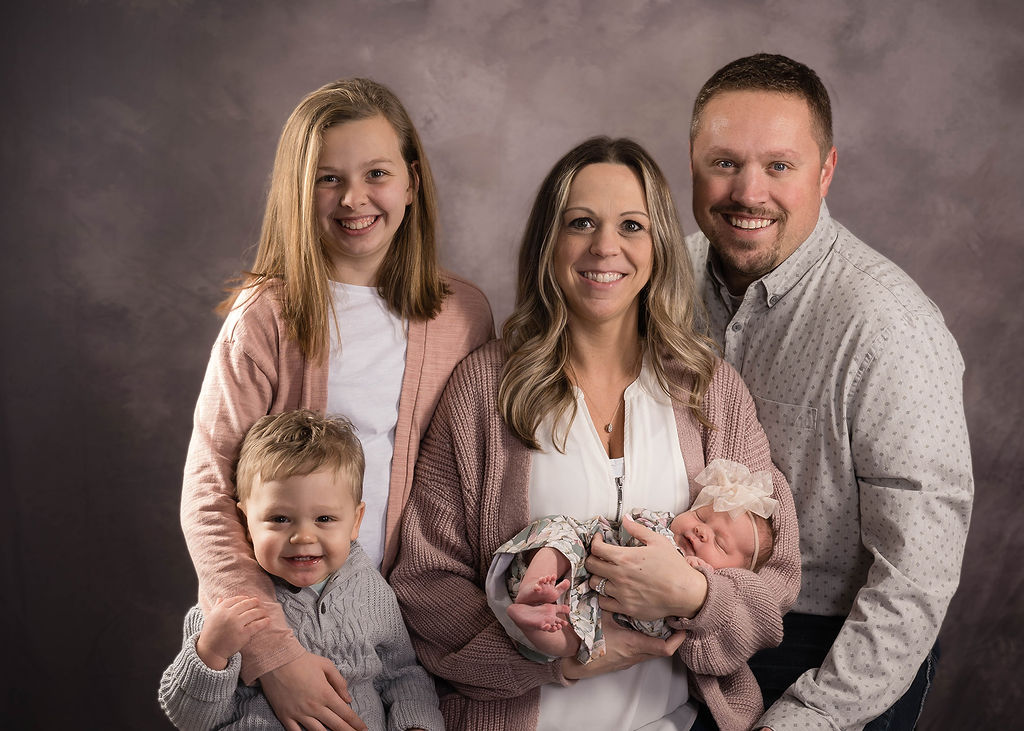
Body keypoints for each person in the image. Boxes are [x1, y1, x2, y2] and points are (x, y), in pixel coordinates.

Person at [390, 136, 800, 731]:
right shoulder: (484, 389)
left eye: (631, 225)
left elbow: (774, 584)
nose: (605, 246)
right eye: (581, 222)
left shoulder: (711, 392)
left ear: (658, 244)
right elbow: (426, 583)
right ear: (548, 244)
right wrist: (557, 657)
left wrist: (694, 597)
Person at [180, 78, 493, 731]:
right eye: (327, 179)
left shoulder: (462, 314)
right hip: (286, 627)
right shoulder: (266, 317)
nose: (354, 199)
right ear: (299, 191)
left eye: (375, 173)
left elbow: (476, 481)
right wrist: (273, 655)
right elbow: (210, 498)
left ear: (410, 180)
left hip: (404, 640)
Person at [685, 53, 973, 730]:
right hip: (691, 621)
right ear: (692, 161)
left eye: (778, 165)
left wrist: (808, 716)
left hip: (831, 642)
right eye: (724, 162)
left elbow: (915, 576)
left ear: (826, 170)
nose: (747, 192)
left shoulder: (887, 325)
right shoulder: (660, 276)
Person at [161, 410, 444, 731]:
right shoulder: (227, 606)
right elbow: (188, 719)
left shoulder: (373, 592)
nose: (303, 537)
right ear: (246, 522)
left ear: (356, 521)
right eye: (280, 519)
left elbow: (402, 675)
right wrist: (210, 653)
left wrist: (416, 725)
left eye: (324, 519)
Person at [496, 458, 778, 662]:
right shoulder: (662, 525)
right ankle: (531, 589)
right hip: (578, 556)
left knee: (574, 644)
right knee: (558, 538)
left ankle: (533, 619)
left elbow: (658, 629)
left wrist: (694, 583)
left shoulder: (693, 605)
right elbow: (636, 529)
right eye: (701, 516)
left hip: (585, 615)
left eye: (719, 542)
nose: (701, 531)